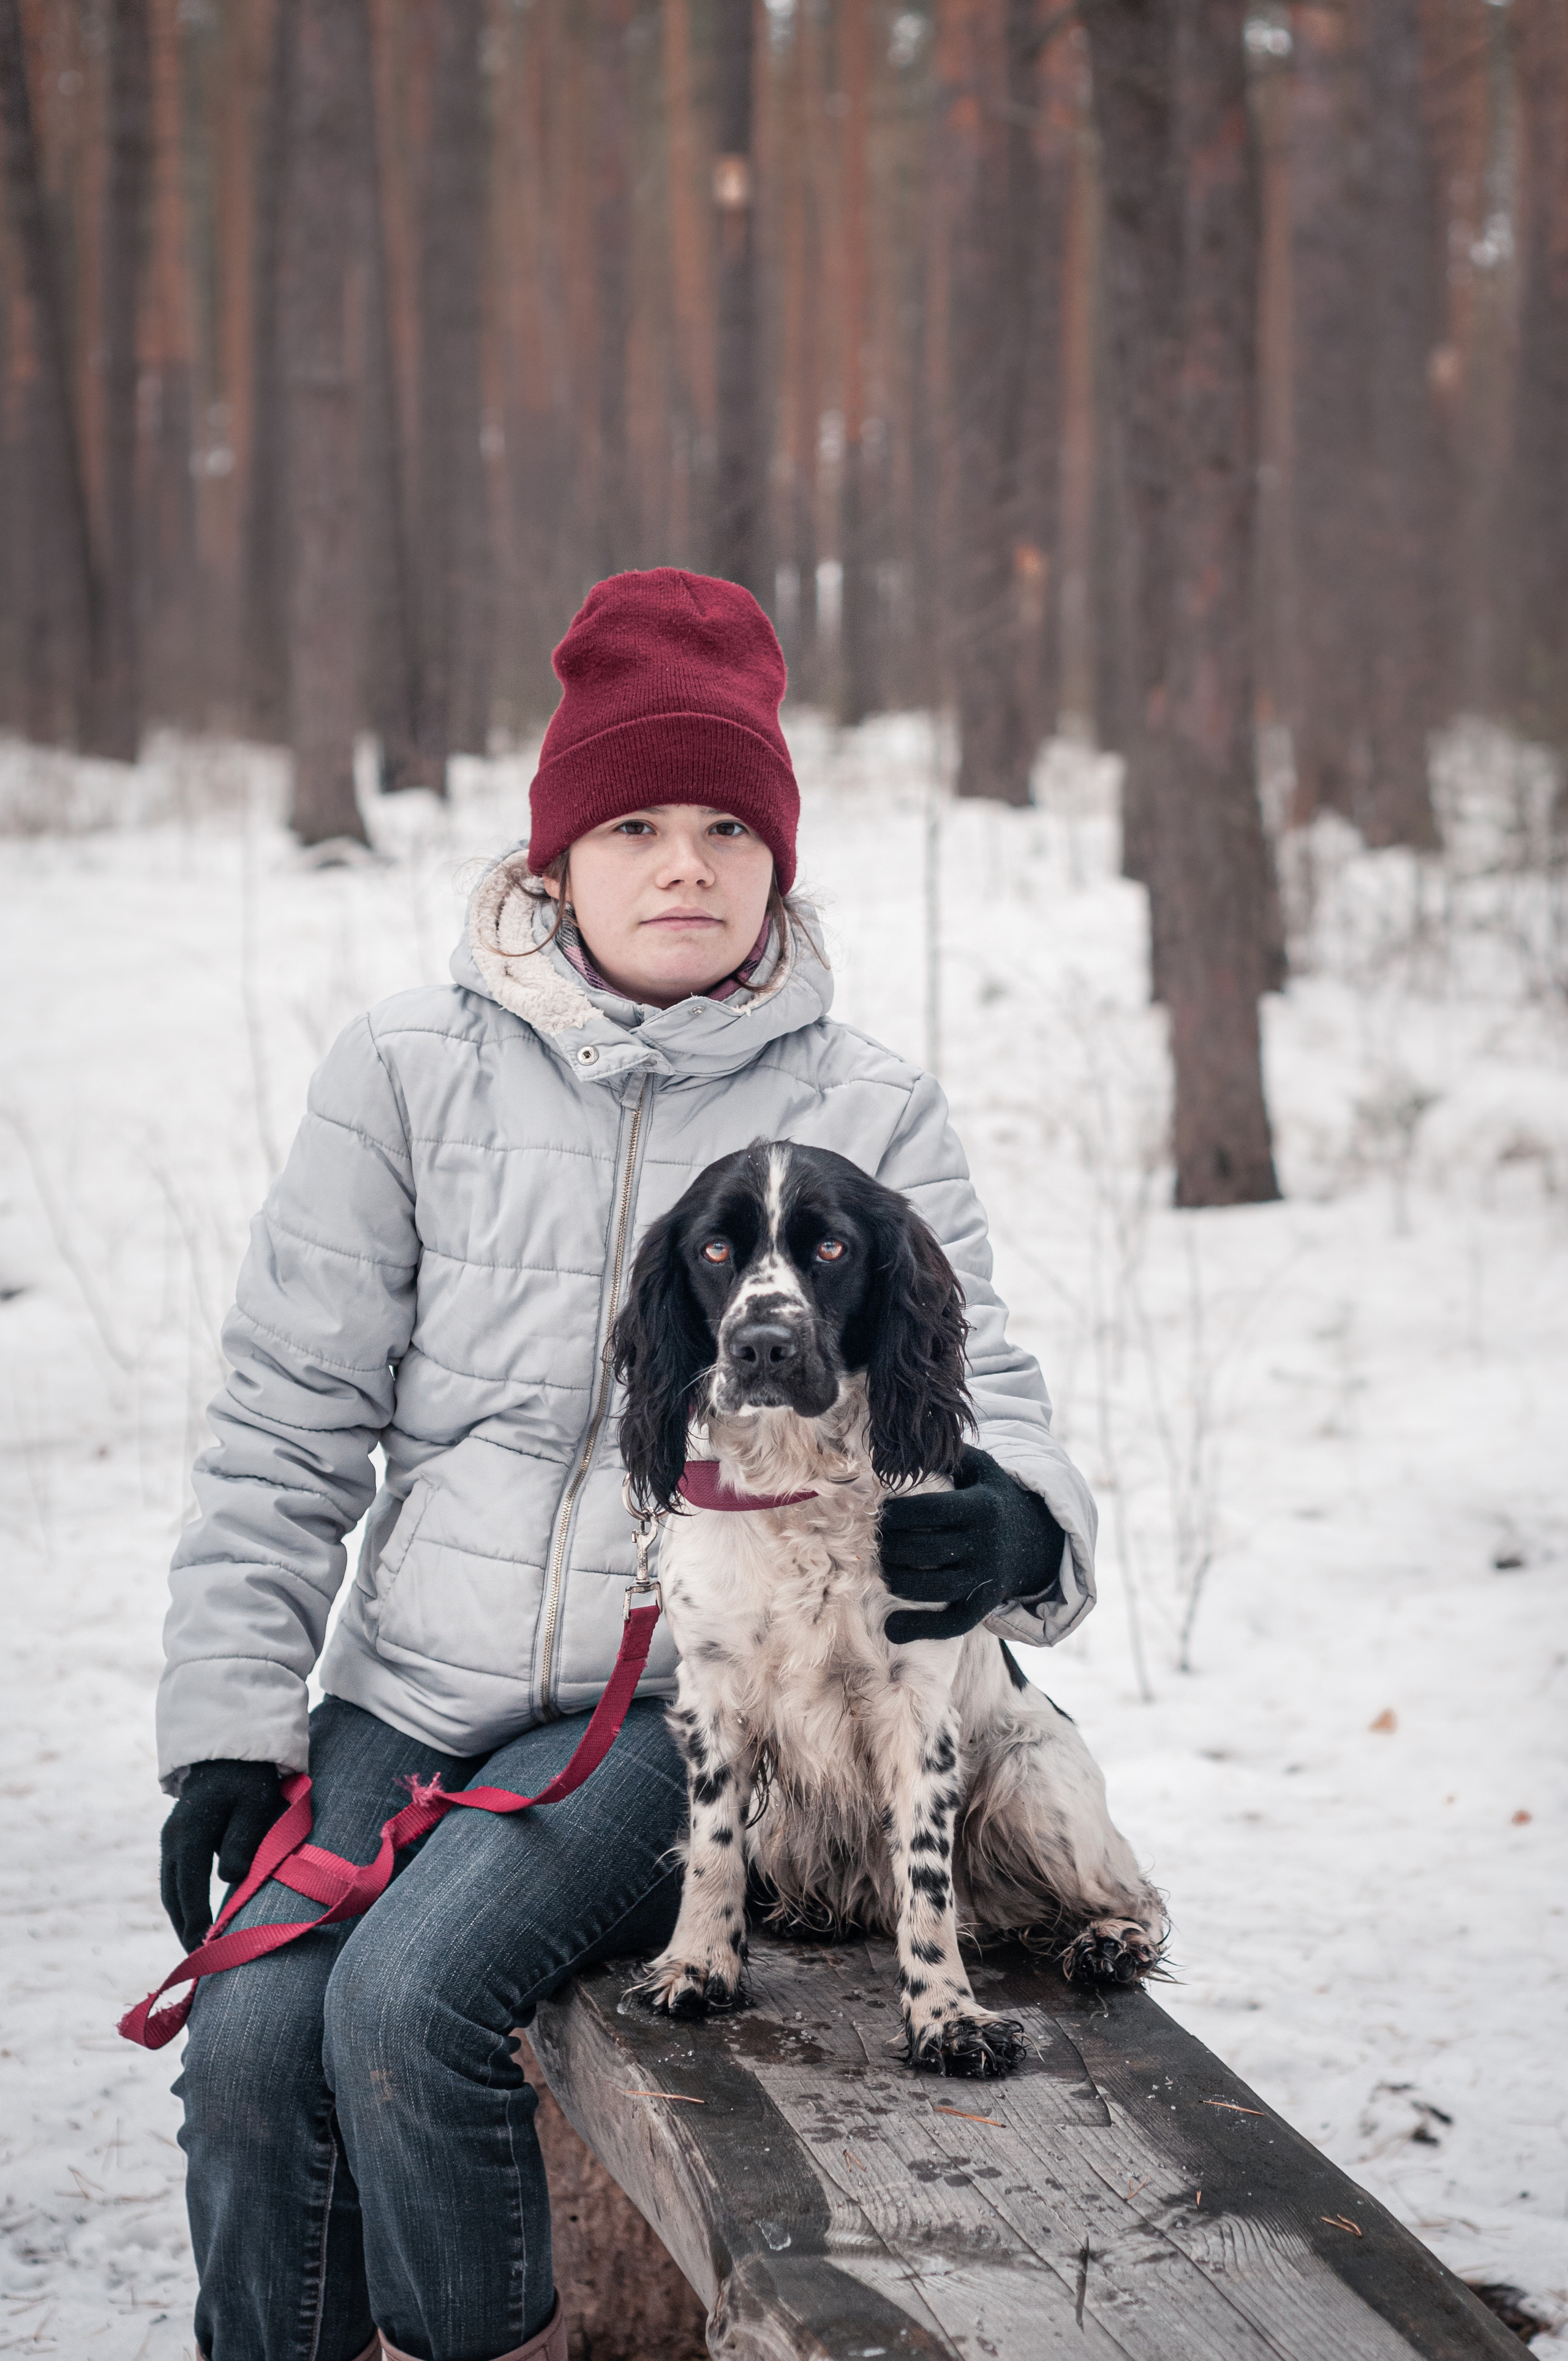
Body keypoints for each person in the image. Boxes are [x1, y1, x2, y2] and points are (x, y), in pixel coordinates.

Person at [158, 567, 1099, 2361]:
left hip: (670, 1703)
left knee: (408, 2006)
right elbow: (285, 1420)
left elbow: (996, 1375)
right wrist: (227, 1724)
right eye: (638, 825)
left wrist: (1019, 1520)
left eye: (730, 827)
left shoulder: (870, 1103)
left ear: (780, 862)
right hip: (410, 1686)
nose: (686, 865)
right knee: (257, 2039)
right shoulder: (404, 1072)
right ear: (552, 860)